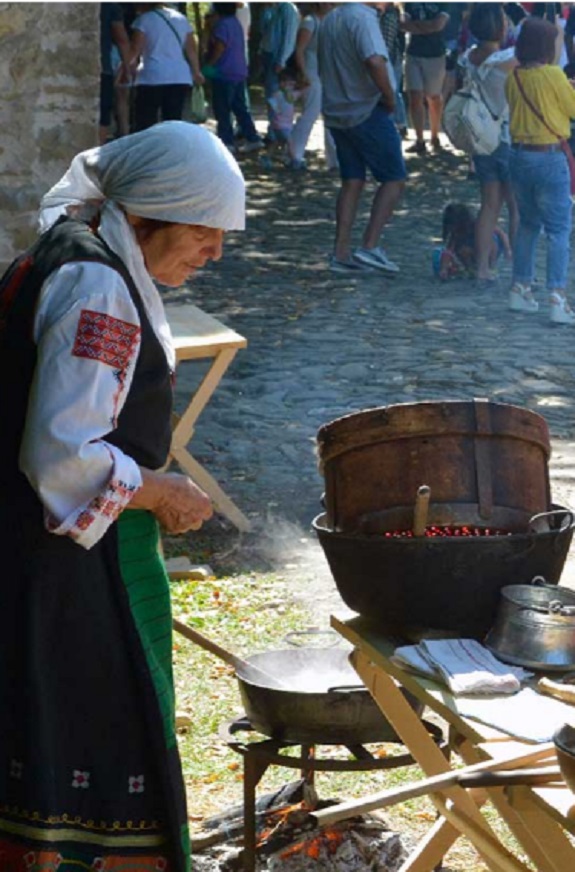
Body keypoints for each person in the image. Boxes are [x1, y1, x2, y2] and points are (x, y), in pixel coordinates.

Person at [0, 122, 245, 871]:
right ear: (152, 214)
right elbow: (61, 452)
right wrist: (160, 490)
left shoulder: (77, 251)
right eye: (206, 231)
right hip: (64, 565)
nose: (215, 251)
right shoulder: (98, 286)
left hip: (45, 552)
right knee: (88, 730)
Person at [318, 2, 406, 274]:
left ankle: (340, 252)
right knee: (394, 177)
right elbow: (374, 60)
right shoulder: (363, 19)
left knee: (352, 181)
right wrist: (389, 97)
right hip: (366, 109)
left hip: (337, 110)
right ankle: (369, 246)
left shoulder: (331, 18)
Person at [506, 16, 575, 323]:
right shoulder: (553, 75)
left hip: (519, 156)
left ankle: (520, 288)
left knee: (528, 224)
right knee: (559, 230)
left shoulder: (514, 76)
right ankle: (558, 297)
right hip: (549, 156)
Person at [458, 2, 518, 289]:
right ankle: (520, 270)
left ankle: (482, 268)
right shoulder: (506, 60)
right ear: (500, 25)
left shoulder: (467, 58)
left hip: (480, 140)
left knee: (488, 205)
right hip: (506, 138)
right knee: (516, 207)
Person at [130, 3, 204, 131]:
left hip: (151, 76)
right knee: (173, 121)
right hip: (179, 76)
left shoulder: (143, 20)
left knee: (145, 121)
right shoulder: (181, 18)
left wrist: (124, 69)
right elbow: (191, 49)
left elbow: (135, 50)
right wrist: (196, 72)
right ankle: (171, 148)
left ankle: (148, 149)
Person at [203, 2, 262, 153]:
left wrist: (209, 64)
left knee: (222, 108)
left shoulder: (222, 25)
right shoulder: (236, 23)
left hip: (224, 72)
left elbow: (220, 47)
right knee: (240, 107)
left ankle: (226, 141)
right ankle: (252, 137)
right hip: (239, 71)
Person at [288, 3, 337, 170]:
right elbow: (300, 50)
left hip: (327, 73)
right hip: (311, 72)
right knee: (310, 113)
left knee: (332, 116)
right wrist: (303, 73)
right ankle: (295, 154)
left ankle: (334, 159)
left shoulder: (332, 21)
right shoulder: (310, 21)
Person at [401, 2, 450, 154]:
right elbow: (403, 24)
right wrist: (427, 27)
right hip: (413, 53)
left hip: (435, 54)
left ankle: (434, 135)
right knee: (414, 96)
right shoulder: (409, 3)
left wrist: (416, 27)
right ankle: (420, 139)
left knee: (433, 97)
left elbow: (438, 25)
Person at [432, 201, 511, 280]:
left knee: (489, 239)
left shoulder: (479, 225)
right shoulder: (456, 235)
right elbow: (448, 252)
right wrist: (443, 269)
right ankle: (471, 268)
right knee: (462, 250)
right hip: (472, 250)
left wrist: (507, 250)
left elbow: (502, 234)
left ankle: (490, 266)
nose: (453, 229)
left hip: (490, 247)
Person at [258, 1, 300, 140]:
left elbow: (289, 36)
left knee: (277, 95)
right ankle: (273, 129)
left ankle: (279, 132)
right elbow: (264, 31)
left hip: (277, 56)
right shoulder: (273, 9)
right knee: (271, 95)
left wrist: (282, 60)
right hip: (268, 55)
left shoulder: (287, 8)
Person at [99, 2, 131, 144]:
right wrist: (128, 67)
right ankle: (96, 156)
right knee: (102, 115)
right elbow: (121, 39)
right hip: (103, 66)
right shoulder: (110, 6)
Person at [380, 2, 409, 138]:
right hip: (393, 57)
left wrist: (383, 61)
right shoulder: (391, 13)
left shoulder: (389, 14)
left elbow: (387, 41)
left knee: (392, 90)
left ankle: (399, 122)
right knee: (394, 90)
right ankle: (400, 123)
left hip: (391, 58)